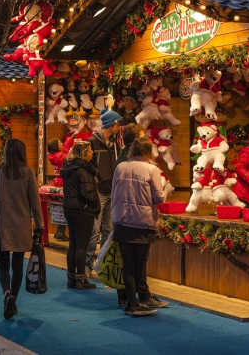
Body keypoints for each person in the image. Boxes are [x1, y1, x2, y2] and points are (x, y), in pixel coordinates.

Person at [0, 139, 44, 320]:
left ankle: (7, 293)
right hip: (22, 225)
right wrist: (40, 225)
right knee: (17, 265)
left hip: (2, 225)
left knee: (2, 264)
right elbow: (35, 202)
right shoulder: (28, 173)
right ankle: (14, 300)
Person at [111, 137, 168, 317]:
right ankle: (135, 303)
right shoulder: (153, 169)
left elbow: (113, 193)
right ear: (148, 151)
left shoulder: (120, 167)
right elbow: (159, 198)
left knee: (128, 265)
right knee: (139, 265)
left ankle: (131, 302)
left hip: (122, 220)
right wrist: (167, 189)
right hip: (143, 222)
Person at [85, 109, 122, 275]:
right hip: (99, 191)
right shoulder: (92, 142)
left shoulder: (115, 144)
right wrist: (97, 177)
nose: (119, 126)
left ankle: (102, 266)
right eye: (117, 123)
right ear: (111, 124)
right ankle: (86, 264)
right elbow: (88, 163)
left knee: (108, 229)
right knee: (94, 229)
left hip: (112, 190)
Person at [60, 141, 100, 290]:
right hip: (82, 210)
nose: (92, 153)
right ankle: (81, 279)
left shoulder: (69, 168)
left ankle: (71, 277)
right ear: (83, 154)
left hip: (70, 208)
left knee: (73, 245)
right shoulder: (84, 170)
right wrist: (96, 205)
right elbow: (87, 193)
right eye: (90, 151)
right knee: (82, 245)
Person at [47, 137, 71, 241]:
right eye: (60, 143)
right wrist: (67, 144)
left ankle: (59, 231)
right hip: (63, 183)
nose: (62, 144)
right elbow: (68, 157)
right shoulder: (61, 156)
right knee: (64, 207)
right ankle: (60, 231)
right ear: (57, 146)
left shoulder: (53, 156)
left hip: (57, 182)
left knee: (60, 208)